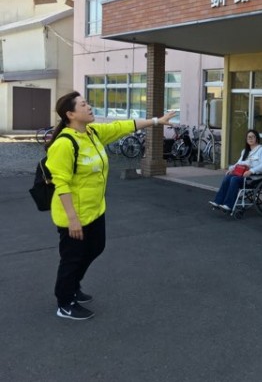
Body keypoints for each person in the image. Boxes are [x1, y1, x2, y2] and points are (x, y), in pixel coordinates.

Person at [46, 91, 177, 320]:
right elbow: (61, 183)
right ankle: (64, 302)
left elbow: (123, 126)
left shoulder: (92, 133)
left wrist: (157, 121)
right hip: (74, 215)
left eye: (87, 103)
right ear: (70, 114)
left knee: (96, 247)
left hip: (95, 209)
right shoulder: (64, 144)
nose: (89, 107)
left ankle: (73, 284)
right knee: (72, 258)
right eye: (83, 105)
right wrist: (72, 219)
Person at [209, 129, 262, 211]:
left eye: (253, 137)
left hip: (255, 178)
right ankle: (218, 202)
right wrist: (232, 169)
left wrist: (251, 171)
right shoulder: (245, 151)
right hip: (243, 176)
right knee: (228, 177)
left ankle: (228, 205)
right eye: (248, 137)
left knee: (234, 179)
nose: (250, 139)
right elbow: (238, 163)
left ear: (257, 138)